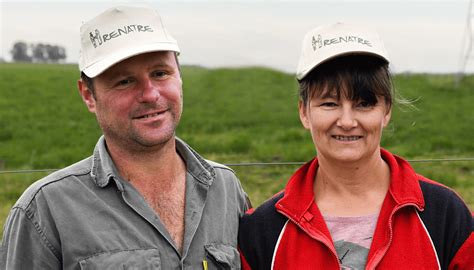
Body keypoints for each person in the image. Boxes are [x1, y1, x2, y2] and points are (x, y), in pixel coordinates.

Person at [1, 6, 250, 269]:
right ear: (88, 94)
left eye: (160, 73)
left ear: (179, 76)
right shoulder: (45, 210)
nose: (150, 94)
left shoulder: (225, 188)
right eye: (124, 81)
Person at [238, 23, 473, 269]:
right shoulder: (263, 231)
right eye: (329, 103)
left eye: (364, 104)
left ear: (387, 111)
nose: (347, 122)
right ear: (304, 112)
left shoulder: (444, 214)